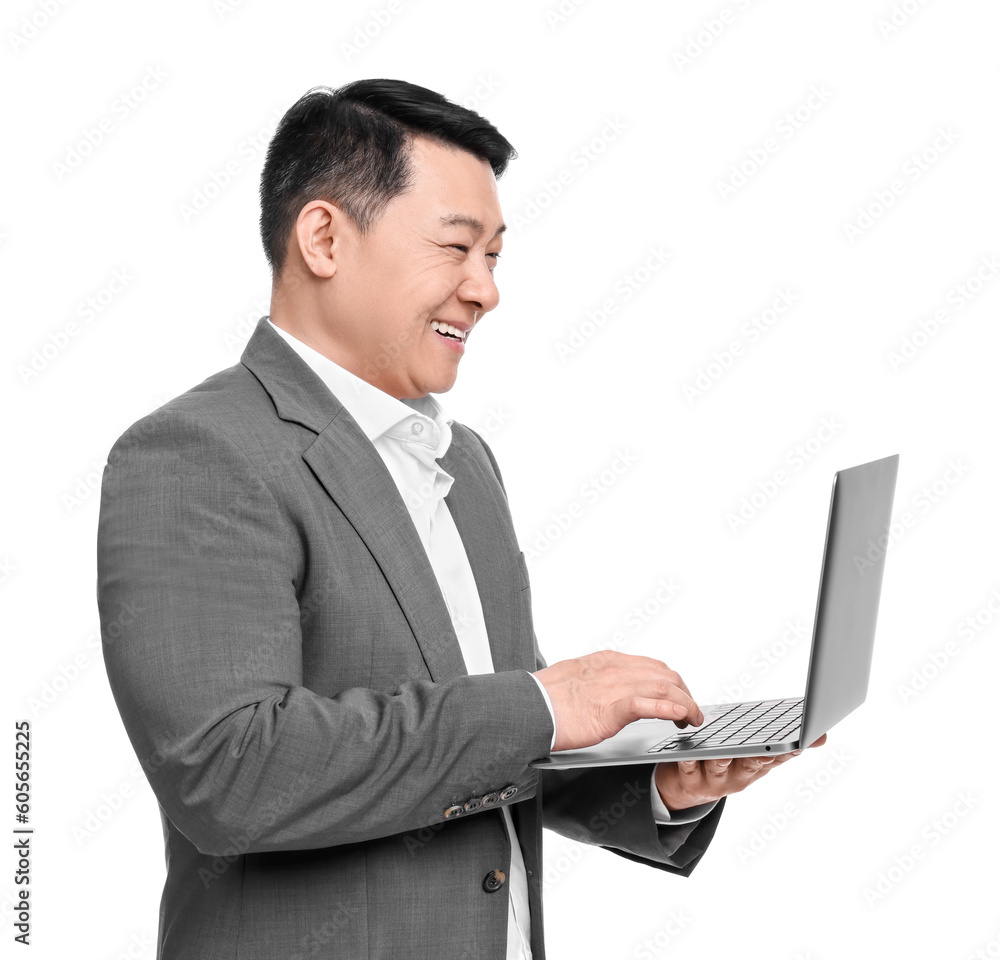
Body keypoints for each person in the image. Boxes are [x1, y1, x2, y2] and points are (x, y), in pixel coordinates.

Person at [97, 79, 823, 960]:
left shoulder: (462, 460)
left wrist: (659, 785)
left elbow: (490, 748)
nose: (486, 291)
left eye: (496, 256)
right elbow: (233, 772)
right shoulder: (197, 454)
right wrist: (545, 706)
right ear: (324, 237)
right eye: (456, 248)